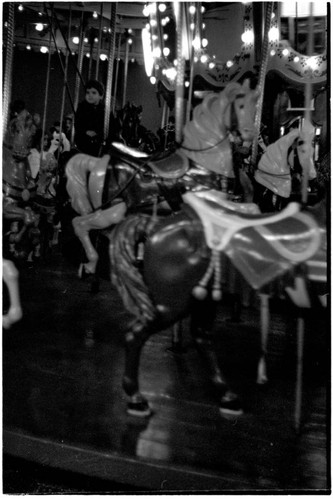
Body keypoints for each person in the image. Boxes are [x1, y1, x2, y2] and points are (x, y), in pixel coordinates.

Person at [74, 79, 105, 157]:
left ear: (101, 96)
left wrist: (99, 133)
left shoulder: (104, 110)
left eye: (94, 93)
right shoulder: (82, 108)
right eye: (88, 92)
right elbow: (78, 123)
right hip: (84, 141)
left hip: (99, 141)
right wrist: (86, 131)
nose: (90, 95)